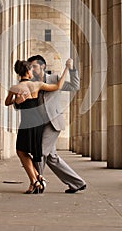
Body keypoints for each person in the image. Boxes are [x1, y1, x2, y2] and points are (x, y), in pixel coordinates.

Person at [5, 59, 69, 194]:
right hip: (38, 122)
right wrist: (66, 69)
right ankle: (36, 179)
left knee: (21, 151)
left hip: (26, 122)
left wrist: (16, 100)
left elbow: (7, 102)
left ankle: (35, 180)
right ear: (28, 71)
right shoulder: (37, 85)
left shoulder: (14, 88)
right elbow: (57, 86)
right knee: (31, 152)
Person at [25, 55, 86, 193]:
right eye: (30, 67)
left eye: (34, 66)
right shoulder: (32, 82)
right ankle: (77, 183)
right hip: (40, 125)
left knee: (39, 152)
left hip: (53, 123)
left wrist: (71, 70)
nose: (32, 69)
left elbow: (74, 86)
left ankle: (37, 183)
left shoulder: (55, 79)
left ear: (43, 66)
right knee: (52, 157)